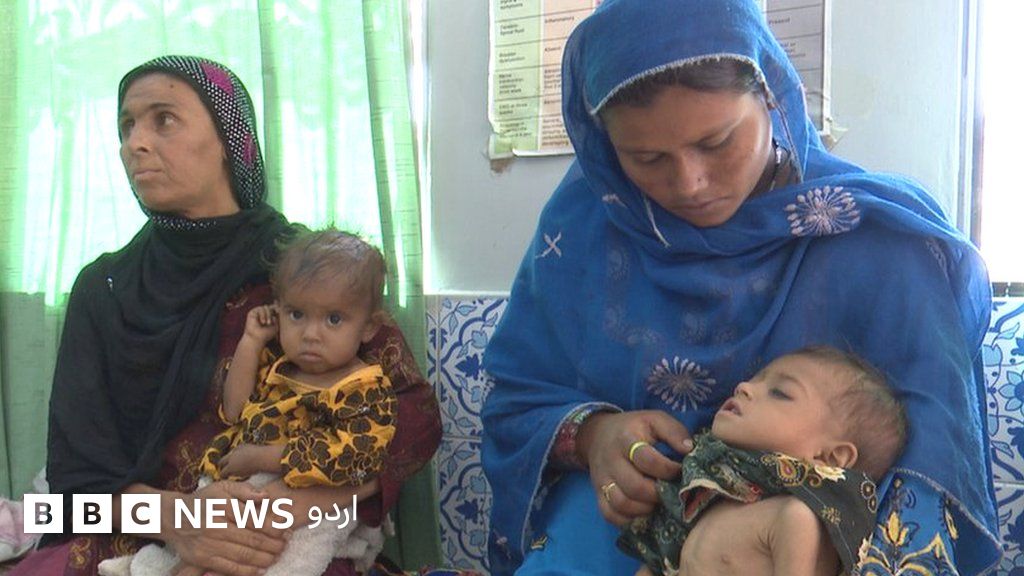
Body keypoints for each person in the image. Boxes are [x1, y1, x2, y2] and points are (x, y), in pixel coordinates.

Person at [480, 0, 999, 574]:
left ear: (771, 96)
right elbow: (517, 400)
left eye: (717, 142)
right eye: (646, 158)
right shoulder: (583, 229)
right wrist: (594, 437)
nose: (689, 183)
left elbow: (930, 473)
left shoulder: (881, 245)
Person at [12, 55, 441, 576]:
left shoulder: (302, 273)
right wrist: (181, 520)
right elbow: (67, 499)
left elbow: (415, 419)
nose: (134, 144)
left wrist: (297, 501)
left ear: (228, 141)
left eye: (163, 120)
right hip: (134, 540)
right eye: (126, 126)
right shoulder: (103, 289)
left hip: (273, 540)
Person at [98, 229, 397, 576]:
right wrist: (252, 342)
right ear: (279, 309)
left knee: (271, 558)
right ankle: (162, 567)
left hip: (318, 499)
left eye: (333, 319)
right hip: (247, 485)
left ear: (368, 327)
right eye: (296, 315)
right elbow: (236, 410)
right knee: (215, 534)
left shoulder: (365, 388)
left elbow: (356, 457)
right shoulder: (279, 368)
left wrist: (264, 457)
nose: (310, 334)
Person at [618, 346, 906, 576]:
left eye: (780, 393)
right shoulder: (699, 501)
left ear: (829, 457)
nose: (743, 386)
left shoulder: (793, 518)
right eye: (755, 379)